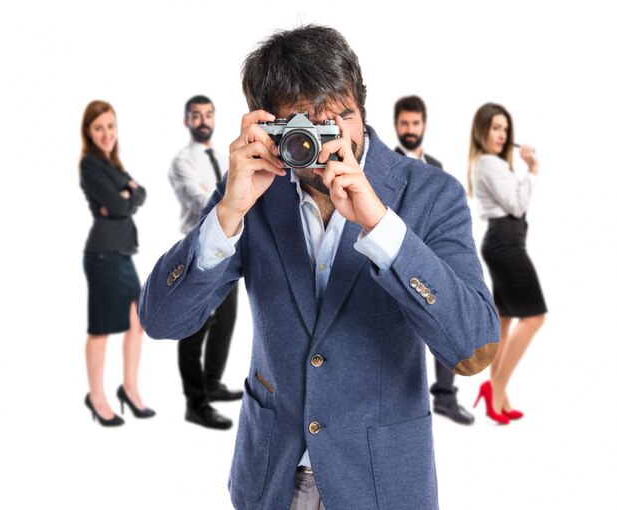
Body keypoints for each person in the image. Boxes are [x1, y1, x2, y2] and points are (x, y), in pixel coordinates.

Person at [139, 25, 499, 509]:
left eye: (342, 117)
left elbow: (474, 349)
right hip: (270, 480)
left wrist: (381, 226)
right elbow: (161, 320)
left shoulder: (432, 195)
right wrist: (228, 213)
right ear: (269, 126)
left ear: (363, 109)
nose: (331, 139)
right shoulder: (252, 193)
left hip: (382, 484)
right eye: (305, 125)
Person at [394, 95, 474, 426]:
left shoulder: (437, 169)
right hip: (398, 257)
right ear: (397, 125)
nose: (410, 130)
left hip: (433, 257)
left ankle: (444, 394)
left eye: (415, 123)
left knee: (445, 317)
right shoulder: (384, 167)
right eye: (404, 124)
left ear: (424, 125)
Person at [468, 102, 547, 425]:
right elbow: (516, 206)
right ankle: (496, 388)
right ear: (483, 130)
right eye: (495, 128)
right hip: (505, 242)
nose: (501, 134)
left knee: (507, 318)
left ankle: (497, 392)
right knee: (534, 317)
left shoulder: (493, 164)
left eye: (505, 128)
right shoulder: (488, 163)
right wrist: (532, 171)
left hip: (506, 241)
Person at [168, 95, 242, 430]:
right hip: (198, 252)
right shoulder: (182, 161)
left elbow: (220, 196)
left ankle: (212, 383)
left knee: (225, 322)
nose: (202, 121)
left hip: (228, 249)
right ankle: (195, 402)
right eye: (196, 116)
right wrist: (225, 196)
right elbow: (205, 200)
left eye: (207, 115)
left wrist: (222, 195)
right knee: (192, 328)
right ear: (187, 121)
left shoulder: (226, 158)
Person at [80, 100, 155, 426]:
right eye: (99, 128)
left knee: (137, 321)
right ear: (89, 132)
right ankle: (96, 397)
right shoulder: (90, 165)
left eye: (110, 126)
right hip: (103, 256)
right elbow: (121, 204)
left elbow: (140, 195)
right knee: (101, 329)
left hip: (122, 253)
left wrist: (128, 196)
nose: (106, 133)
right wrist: (126, 196)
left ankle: (130, 387)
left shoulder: (113, 164)